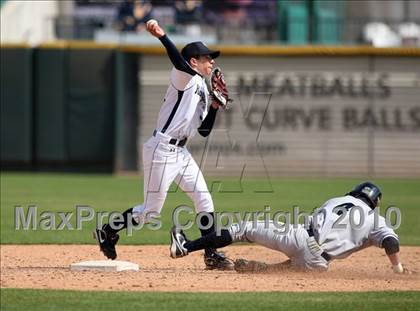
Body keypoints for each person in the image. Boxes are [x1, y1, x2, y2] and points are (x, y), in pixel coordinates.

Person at [94, 19, 234, 270]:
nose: (211, 61)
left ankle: (211, 254)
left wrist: (214, 107)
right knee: (150, 212)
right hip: (162, 150)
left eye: (211, 58)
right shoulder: (184, 77)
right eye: (206, 58)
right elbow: (178, 60)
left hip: (181, 152)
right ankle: (108, 230)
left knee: (205, 201)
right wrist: (162, 36)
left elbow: (203, 131)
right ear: (193, 62)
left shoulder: (202, 86)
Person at [170, 182, 410, 274]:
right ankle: (262, 269)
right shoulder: (377, 220)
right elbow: (391, 242)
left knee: (243, 228)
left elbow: (311, 225)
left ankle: (186, 246)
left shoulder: (336, 200)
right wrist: (397, 268)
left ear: (355, 193)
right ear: (375, 203)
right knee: (299, 266)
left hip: (301, 239)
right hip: (320, 264)